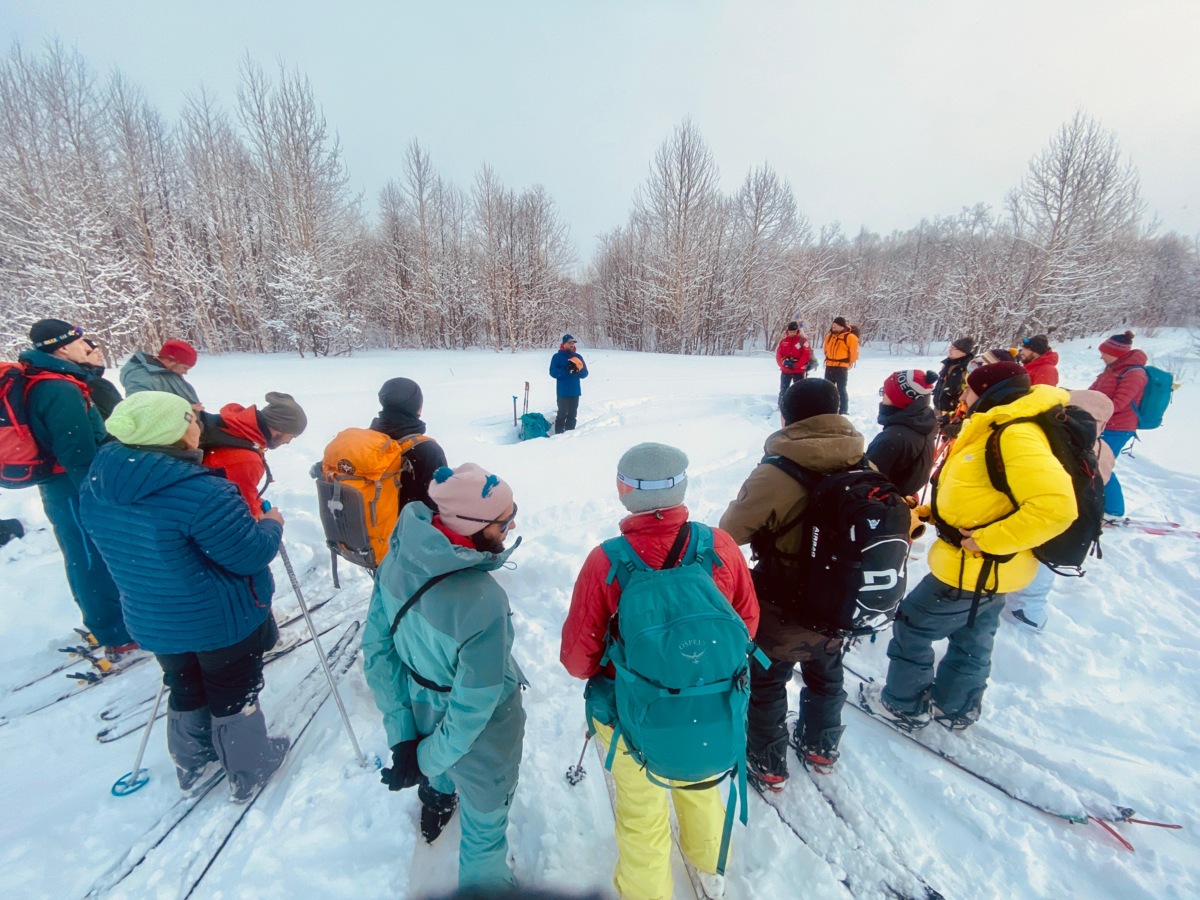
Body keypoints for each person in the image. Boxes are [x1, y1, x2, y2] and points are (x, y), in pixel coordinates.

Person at [562, 443, 758, 900]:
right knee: (700, 784)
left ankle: (646, 891)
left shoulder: (606, 561)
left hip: (632, 714)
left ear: (623, 491)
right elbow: (746, 624)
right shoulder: (720, 546)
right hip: (711, 701)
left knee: (640, 809)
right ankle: (711, 865)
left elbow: (578, 658)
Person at [78, 391, 289, 800]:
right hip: (219, 617)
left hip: (153, 614)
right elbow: (250, 555)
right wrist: (271, 524)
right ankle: (249, 767)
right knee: (234, 690)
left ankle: (192, 760)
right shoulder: (201, 492)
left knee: (185, 685)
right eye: (190, 421)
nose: (200, 425)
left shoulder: (96, 484)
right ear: (172, 433)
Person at [861, 361, 1076, 730]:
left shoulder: (1014, 435)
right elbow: (982, 494)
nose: (962, 394)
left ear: (990, 392)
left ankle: (903, 703)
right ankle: (956, 705)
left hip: (973, 566)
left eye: (969, 389)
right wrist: (930, 513)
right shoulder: (995, 427)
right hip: (995, 570)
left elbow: (1057, 508)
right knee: (972, 635)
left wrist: (984, 541)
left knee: (912, 624)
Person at [362, 463, 525, 891]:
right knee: (485, 830)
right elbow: (474, 708)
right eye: (504, 522)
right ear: (471, 527)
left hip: (420, 701)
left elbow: (378, 651)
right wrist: (424, 758)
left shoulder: (397, 558)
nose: (510, 528)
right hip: (485, 737)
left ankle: (436, 796)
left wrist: (404, 738)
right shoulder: (482, 599)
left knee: (435, 749)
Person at [720, 379, 862, 784]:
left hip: (784, 606)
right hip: (840, 604)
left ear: (787, 416)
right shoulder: (862, 462)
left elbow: (730, 536)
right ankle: (821, 745)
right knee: (826, 669)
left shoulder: (777, 472)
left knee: (766, 679)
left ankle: (767, 762)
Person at [18, 319, 134, 656]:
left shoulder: (54, 380)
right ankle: (113, 630)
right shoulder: (58, 389)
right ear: (63, 348)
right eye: (81, 341)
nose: (88, 345)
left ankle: (109, 622)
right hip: (71, 486)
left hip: (65, 484)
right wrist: (100, 497)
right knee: (89, 556)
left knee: (87, 553)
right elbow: (78, 454)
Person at [1003, 390, 1115, 633]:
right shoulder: (1100, 447)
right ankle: (1028, 609)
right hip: (1071, 519)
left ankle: (1026, 611)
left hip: (1047, 514)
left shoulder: (1055, 443)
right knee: (1045, 560)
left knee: (1035, 559)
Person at [201, 392, 308, 516]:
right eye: (291, 436)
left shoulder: (237, 429)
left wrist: (258, 504)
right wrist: (271, 522)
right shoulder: (246, 460)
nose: (288, 442)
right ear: (279, 428)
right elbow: (242, 511)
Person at [1088, 331, 1148, 517]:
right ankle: (1096, 502)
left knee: (1101, 465)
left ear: (1117, 353)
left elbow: (1118, 404)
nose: (1101, 356)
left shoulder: (1134, 374)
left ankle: (1114, 509)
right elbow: (1093, 393)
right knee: (1092, 464)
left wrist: (1091, 407)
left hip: (1118, 428)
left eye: (1105, 352)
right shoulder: (1111, 370)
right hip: (1103, 425)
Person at [369, 377, 448, 511]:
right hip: (409, 530)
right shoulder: (428, 450)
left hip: (372, 525)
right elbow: (443, 505)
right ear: (417, 407)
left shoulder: (367, 442)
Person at [866, 370, 939, 496]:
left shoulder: (893, 439)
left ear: (898, 399)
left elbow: (865, 482)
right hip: (903, 497)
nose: (882, 395)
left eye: (886, 392)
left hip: (886, 504)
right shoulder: (923, 422)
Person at [120, 340, 202, 409]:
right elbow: (139, 408)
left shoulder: (169, 372)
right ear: (171, 361)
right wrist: (184, 409)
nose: (185, 373)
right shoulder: (141, 377)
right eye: (185, 368)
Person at [933, 337, 975, 436]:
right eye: (951, 347)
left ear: (963, 352)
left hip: (952, 412)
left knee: (947, 440)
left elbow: (967, 391)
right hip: (938, 406)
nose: (950, 350)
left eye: (953, 348)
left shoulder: (968, 369)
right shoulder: (947, 363)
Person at [549, 334, 587, 433]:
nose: (572, 345)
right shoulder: (557, 357)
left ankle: (569, 437)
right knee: (562, 415)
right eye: (569, 343)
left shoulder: (578, 357)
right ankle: (558, 436)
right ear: (564, 344)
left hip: (575, 391)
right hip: (563, 392)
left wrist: (577, 372)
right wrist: (566, 370)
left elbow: (585, 373)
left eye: (573, 343)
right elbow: (552, 372)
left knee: (572, 416)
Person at [78, 339, 124, 420]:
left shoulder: (86, 379)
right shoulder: (94, 383)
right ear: (83, 355)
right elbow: (122, 412)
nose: (100, 355)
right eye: (95, 353)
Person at [822, 317, 858, 414]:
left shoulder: (850, 337)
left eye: (836, 326)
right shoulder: (829, 336)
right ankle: (828, 409)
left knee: (841, 389)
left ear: (842, 326)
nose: (833, 327)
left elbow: (854, 353)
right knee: (827, 389)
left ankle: (843, 410)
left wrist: (848, 363)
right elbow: (825, 349)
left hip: (841, 367)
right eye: (833, 326)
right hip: (829, 365)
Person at [774, 321, 812, 400]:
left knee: (799, 391)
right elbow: (778, 355)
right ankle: (782, 405)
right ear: (788, 331)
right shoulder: (783, 341)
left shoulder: (803, 341)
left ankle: (799, 407)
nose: (792, 333)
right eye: (790, 332)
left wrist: (797, 364)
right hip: (786, 370)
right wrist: (783, 366)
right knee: (783, 390)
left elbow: (806, 354)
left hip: (798, 371)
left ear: (797, 331)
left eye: (793, 332)